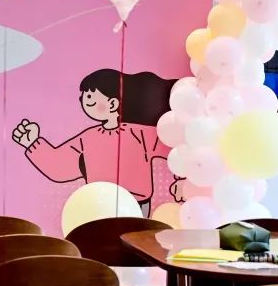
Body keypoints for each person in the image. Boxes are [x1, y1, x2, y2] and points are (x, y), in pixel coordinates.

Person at [12, 69, 182, 211]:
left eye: (92, 98)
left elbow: (175, 150)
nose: (86, 102)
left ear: (113, 104)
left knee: (134, 239)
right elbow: (60, 165)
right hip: (98, 206)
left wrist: (183, 180)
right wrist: (33, 143)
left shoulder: (140, 134)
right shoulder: (87, 138)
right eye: (85, 97)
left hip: (136, 203)